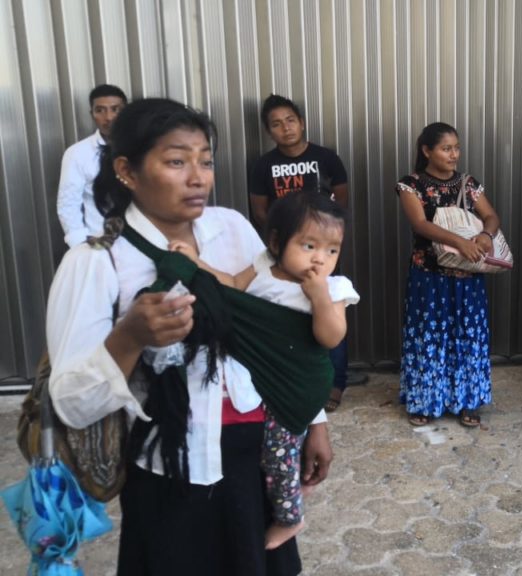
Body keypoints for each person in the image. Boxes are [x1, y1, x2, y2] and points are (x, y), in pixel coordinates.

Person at [46, 98, 333, 575]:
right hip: (172, 470)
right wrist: (129, 336)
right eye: (176, 161)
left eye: (205, 160)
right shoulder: (97, 262)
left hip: (254, 457)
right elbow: (72, 402)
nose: (198, 177)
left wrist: (314, 420)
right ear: (127, 171)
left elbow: (284, 332)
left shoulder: (233, 230)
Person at [170, 190, 358, 550]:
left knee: (276, 452)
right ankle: (293, 484)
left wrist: (318, 296)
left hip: (298, 384)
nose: (321, 259)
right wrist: (196, 265)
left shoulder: (333, 288)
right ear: (275, 241)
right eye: (309, 246)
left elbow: (331, 337)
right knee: (275, 452)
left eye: (332, 250)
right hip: (263, 379)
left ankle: (291, 518)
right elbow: (229, 286)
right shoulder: (260, 267)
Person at [249, 93, 363, 413]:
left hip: (318, 252)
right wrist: (286, 241)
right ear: (269, 131)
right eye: (276, 124)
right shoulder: (264, 166)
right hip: (285, 255)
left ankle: (335, 383)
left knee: (328, 307)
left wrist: (322, 239)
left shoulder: (327, 158)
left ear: (301, 122)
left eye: (290, 120)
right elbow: (260, 210)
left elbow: (340, 201)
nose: (285, 128)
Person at [396, 122, 499, 427]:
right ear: (426, 150)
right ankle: (425, 401)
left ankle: (468, 402)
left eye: (456, 147)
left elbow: (491, 216)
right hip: (429, 276)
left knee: (468, 336)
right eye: (446, 148)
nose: (454, 154)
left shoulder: (468, 183)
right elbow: (420, 224)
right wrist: (460, 242)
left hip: (467, 278)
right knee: (429, 335)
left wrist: (486, 237)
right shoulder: (410, 185)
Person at [56, 83, 127, 247]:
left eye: (115, 109)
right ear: (92, 114)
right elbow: (68, 203)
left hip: (144, 243)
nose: (108, 117)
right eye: (100, 110)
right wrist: (81, 244)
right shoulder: (77, 153)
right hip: (100, 242)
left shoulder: (142, 147)